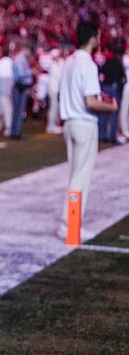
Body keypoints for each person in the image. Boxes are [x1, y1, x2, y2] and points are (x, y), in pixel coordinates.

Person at [57, 19, 117, 241]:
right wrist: (111, 107)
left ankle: (69, 224)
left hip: (69, 122)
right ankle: (71, 226)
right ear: (93, 37)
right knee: (80, 178)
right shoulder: (88, 64)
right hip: (84, 122)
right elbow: (91, 102)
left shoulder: (69, 61)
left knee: (75, 174)